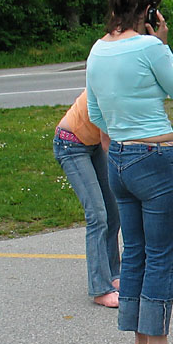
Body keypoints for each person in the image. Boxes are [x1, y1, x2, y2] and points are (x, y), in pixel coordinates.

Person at [86, 0, 173, 344]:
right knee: (162, 256)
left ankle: (139, 342)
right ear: (148, 12)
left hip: (118, 161)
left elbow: (96, 115)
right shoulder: (151, 49)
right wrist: (164, 46)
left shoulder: (96, 51)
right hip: (156, 157)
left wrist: (120, 148)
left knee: (135, 251)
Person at [53, 90, 121, 308]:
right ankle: (100, 289)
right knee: (97, 216)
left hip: (91, 145)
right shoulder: (108, 87)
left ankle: (113, 274)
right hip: (70, 145)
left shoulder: (128, 89)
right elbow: (108, 142)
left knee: (113, 213)